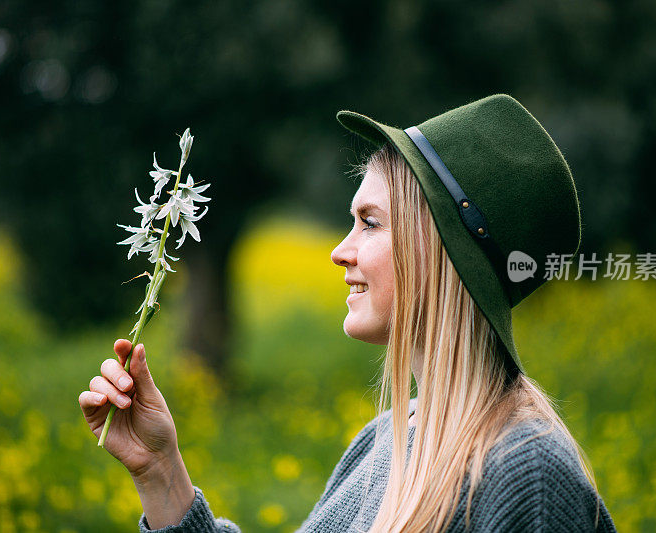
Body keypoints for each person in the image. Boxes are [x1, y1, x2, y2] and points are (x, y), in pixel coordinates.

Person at [79, 94, 618, 532]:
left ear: (441, 255)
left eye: (370, 222)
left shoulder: (529, 478)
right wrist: (161, 471)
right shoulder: (387, 440)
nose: (341, 250)